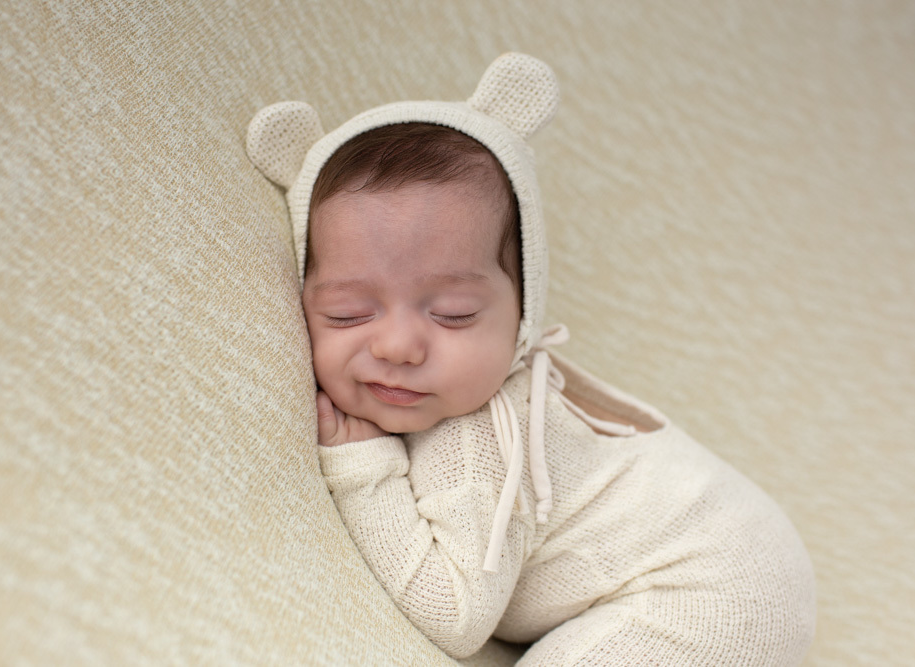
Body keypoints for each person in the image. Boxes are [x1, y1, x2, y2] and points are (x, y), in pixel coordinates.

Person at [247, 53, 817, 665]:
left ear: (523, 314)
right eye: (350, 314)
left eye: (454, 314)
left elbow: (454, 616)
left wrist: (363, 467)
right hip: (751, 555)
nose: (397, 347)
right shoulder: (450, 391)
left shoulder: (478, 434)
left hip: (710, 592)